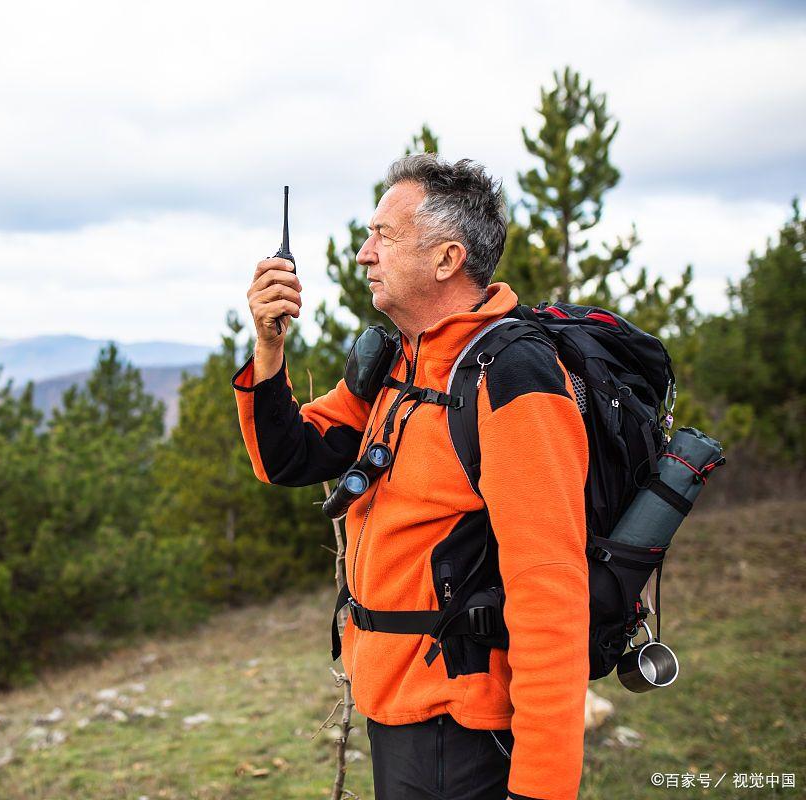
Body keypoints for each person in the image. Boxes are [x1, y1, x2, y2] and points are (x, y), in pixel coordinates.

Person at [231, 153, 590, 800]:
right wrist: (268, 348)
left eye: (383, 236)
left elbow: (551, 596)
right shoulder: (400, 362)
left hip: (462, 724)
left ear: (447, 258)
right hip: (394, 701)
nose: (364, 254)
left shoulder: (513, 377)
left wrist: (541, 787)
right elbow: (291, 457)